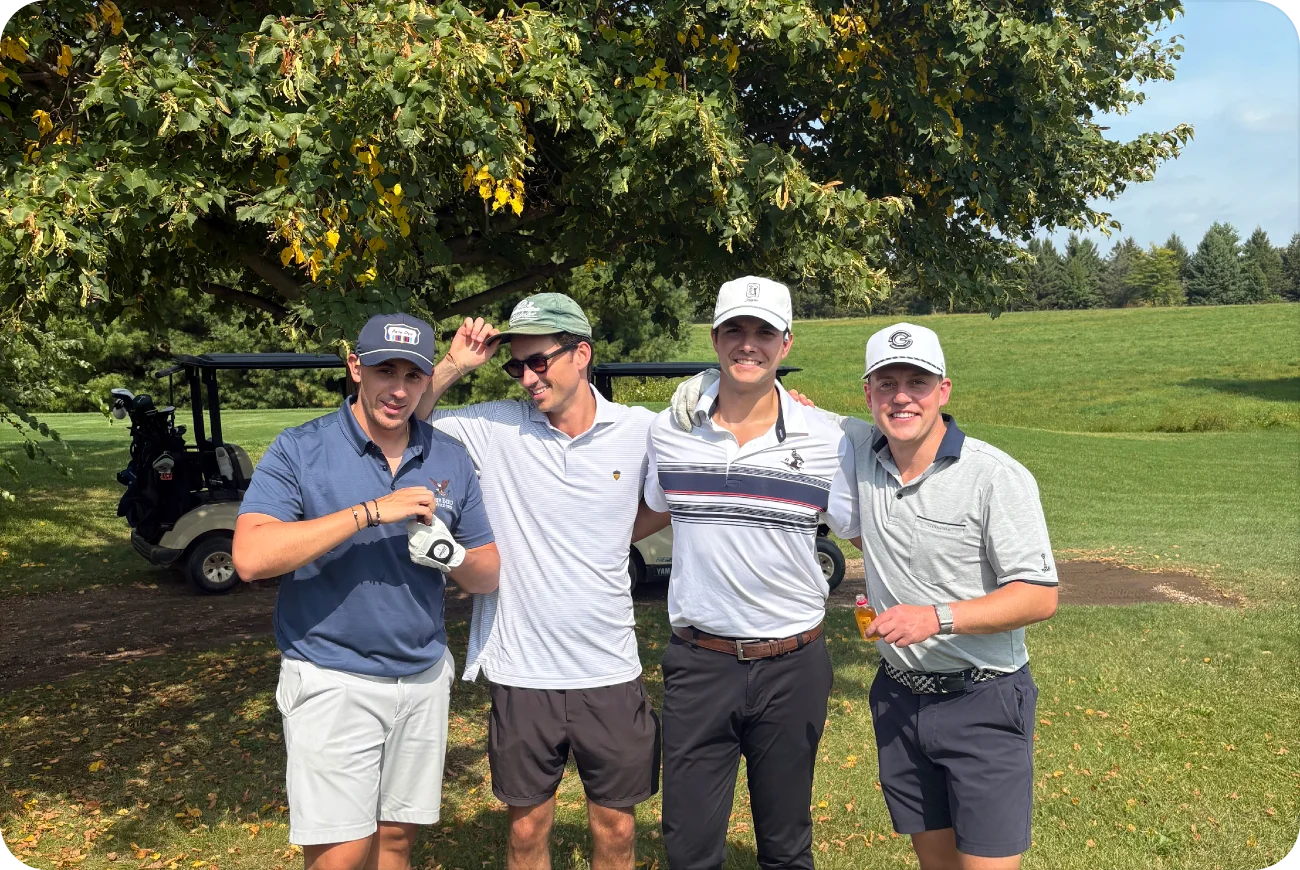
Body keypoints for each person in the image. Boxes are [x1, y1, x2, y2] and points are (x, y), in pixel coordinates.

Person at [670, 320, 1058, 870]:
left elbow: (1039, 596)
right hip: (900, 698)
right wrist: (708, 383)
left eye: (917, 383)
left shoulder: (995, 476)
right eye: (886, 383)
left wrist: (938, 619)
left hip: (983, 698)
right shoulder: (856, 446)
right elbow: (768, 396)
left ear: (943, 391)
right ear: (867, 393)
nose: (902, 398)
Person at [232, 312, 500, 870]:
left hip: (422, 676)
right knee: (341, 853)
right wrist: (372, 513)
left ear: (428, 381)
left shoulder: (448, 456)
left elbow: (487, 573)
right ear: (356, 367)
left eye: (413, 376)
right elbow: (251, 558)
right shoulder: (300, 449)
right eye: (385, 371)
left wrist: (447, 554)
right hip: (332, 675)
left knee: (396, 842)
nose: (398, 390)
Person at [412, 293, 667, 870]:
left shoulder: (640, 430)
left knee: (616, 829)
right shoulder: (495, 426)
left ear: (582, 354)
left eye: (539, 362)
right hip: (521, 667)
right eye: (515, 365)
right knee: (526, 832)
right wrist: (453, 365)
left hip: (608, 665)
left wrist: (614, 532)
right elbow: (407, 415)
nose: (526, 377)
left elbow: (677, 492)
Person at [642, 276, 858, 870]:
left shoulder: (828, 439)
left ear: (785, 344)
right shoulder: (671, 430)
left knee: (786, 847)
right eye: (734, 330)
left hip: (793, 664)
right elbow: (644, 508)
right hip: (699, 661)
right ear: (714, 338)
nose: (748, 344)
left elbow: (872, 524)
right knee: (688, 848)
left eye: (764, 332)